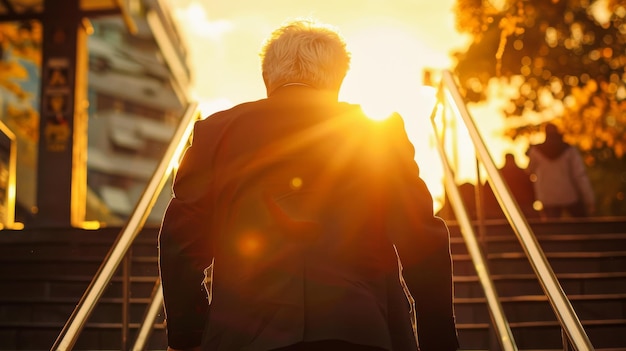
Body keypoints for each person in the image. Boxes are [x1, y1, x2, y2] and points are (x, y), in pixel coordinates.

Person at [158, 18, 459, 351]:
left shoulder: (215, 133)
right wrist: (439, 340)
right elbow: (422, 241)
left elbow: (180, 246)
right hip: (359, 331)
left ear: (267, 78)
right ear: (338, 80)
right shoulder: (377, 133)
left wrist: (188, 335)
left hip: (243, 336)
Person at [526, 123, 595, 219]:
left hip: (547, 197)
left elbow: (529, 172)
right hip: (569, 195)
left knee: (552, 230)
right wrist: (589, 199)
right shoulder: (569, 150)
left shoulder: (536, 152)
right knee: (583, 225)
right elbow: (580, 175)